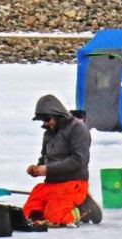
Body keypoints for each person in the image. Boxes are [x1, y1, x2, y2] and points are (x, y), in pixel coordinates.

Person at [23, 94, 92, 227]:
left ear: (57, 114)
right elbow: (44, 157)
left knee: (55, 217)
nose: (45, 123)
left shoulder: (78, 129)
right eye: (42, 120)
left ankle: (83, 210)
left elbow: (79, 160)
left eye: (47, 119)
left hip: (73, 184)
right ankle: (57, 208)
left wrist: (48, 169)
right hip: (51, 184)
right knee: (28, 214)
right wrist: (37, 169)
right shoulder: (48, 133)